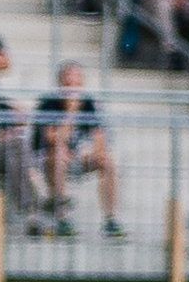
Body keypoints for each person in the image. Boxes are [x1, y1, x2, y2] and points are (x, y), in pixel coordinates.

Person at [29, 62, 120, 240]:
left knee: (107, 161)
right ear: (60, 84)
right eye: (68, 83)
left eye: (77, 83)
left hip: (76, 156)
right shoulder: (48, 103)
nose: (73, 89)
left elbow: (99, 137)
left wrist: (96, 153)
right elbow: (53, 140)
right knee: (59, 154)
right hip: (46, 158)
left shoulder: (88, 103)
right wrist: (71, 112)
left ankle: (111, 220)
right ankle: (62, 217)